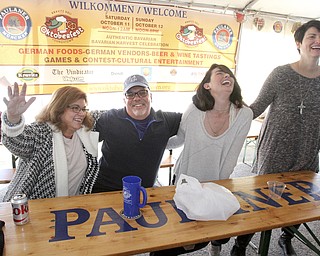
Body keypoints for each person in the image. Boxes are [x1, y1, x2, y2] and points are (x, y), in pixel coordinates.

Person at [232, 19, 320, 256]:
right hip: (274, 152)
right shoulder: (280, 74)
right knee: (257, 203)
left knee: (301, 205)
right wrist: (226, 111)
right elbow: (257, 107)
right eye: (312, 36)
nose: (318, 41)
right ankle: (240, 245)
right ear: (299, 43)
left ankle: (286, 237)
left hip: (307, 154)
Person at [151, 64, 253, 256]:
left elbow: (232, 156)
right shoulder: (194, 110)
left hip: (217, 180)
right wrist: (154, 142)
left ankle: (216, 243)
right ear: (207, 85)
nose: (227, 76)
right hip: (185, 179)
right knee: (178, 235)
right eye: (220, 73)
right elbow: (179, 139)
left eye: (229, 74)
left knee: (220, 230)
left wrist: (216, 187)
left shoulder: (244, 115)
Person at [1, 83, 99, 201]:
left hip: (73, 206)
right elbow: (17, 142)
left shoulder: (84, 131)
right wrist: (13, 117)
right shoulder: (42, 132)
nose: (82, 113)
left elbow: (109, 115)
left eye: (83, 109)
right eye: (75, 108)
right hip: (31, 207)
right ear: (59, 108)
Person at [91, 74, 182, 192]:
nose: (137, 98)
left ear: (151, 96)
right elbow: (82, 133)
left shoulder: (166, 120)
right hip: (106, 191)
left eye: (142, 92)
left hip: (144, 192)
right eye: (130, 94)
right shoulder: (109, 118)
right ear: (124, 99)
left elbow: (195, 119)